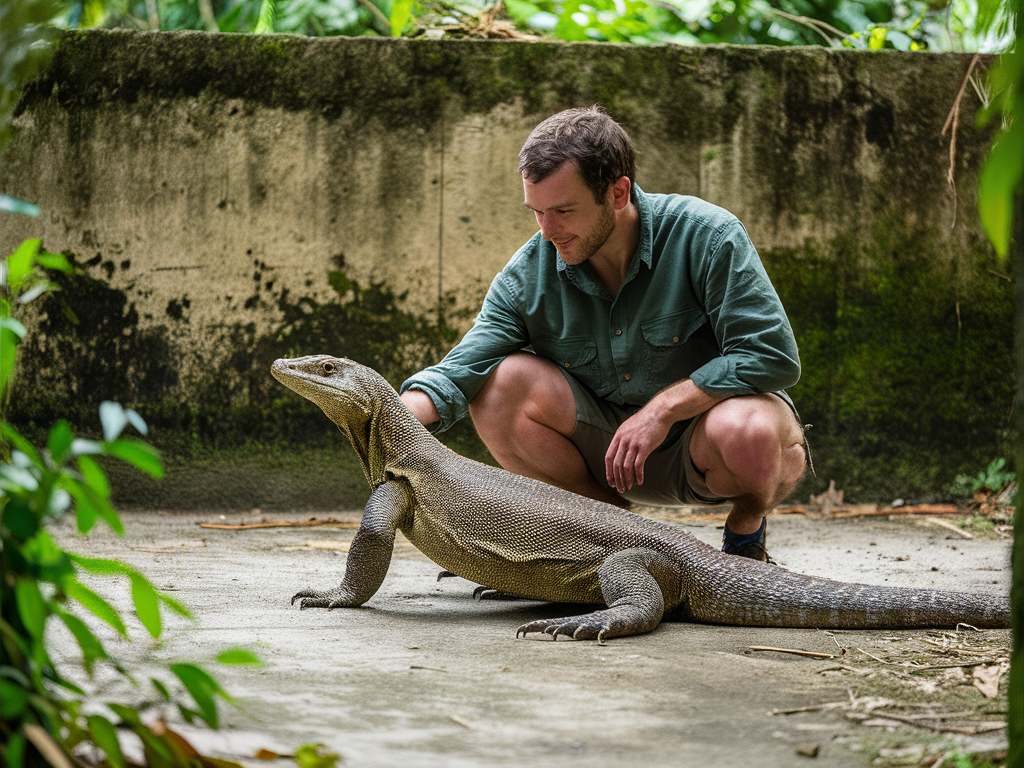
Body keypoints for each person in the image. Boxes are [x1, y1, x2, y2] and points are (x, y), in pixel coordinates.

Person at [399, 105, 809, 561]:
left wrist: (663, 411)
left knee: (750, 430)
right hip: (605, 461)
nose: (548, 231)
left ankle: (744, 536)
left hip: (701, 446)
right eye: (536, 212)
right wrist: (383, 419)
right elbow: (460, 369)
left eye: (564, 211)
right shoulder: (528, 273)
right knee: (498, 384)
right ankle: (608, 541)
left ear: (617, 193)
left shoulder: (707, 235)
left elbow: (771, 354)